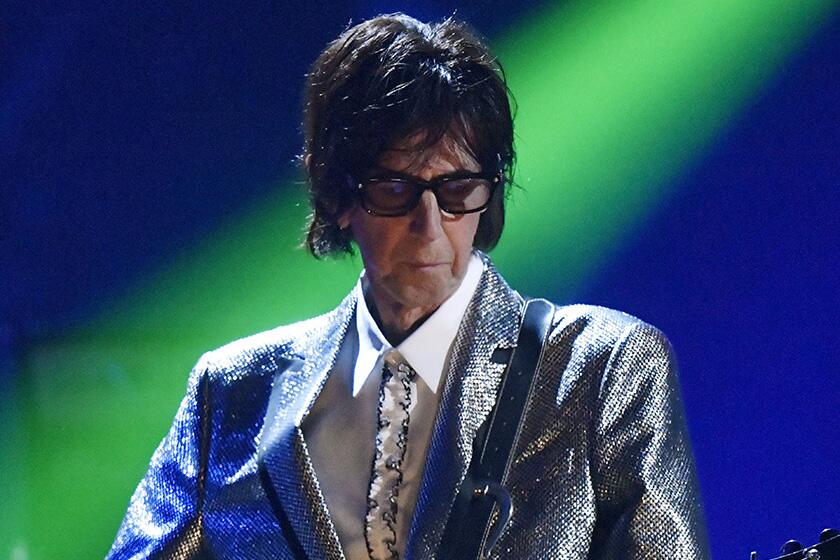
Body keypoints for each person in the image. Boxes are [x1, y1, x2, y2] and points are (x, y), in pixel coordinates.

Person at [108, 13, 709, 560]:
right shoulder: (234, 392)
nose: (430, 227)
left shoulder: (604, 369)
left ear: (489, 193)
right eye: (395, 190)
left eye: (457, 190)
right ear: (339, 196)